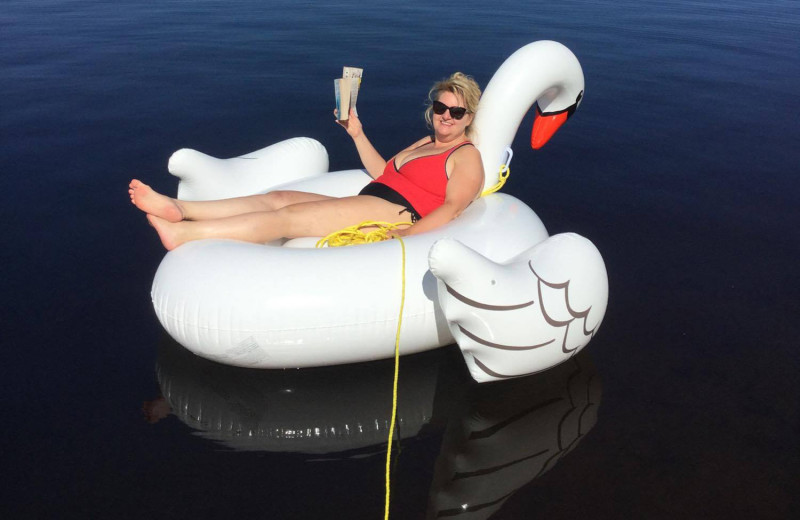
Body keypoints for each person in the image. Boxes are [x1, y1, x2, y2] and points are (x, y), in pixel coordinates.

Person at [129, 72, 484, 250]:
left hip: (395, 213)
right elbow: (383, 173)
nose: (446, 116)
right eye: (441, 108)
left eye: (456, 111)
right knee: (278, 198)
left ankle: (186, 234)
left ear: (469, 117)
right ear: (432, 109)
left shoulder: (465, 156)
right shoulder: (426, 142)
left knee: (289, 218)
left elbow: (452, 208)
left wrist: (407, 234)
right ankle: (180, 206)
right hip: (372, 198)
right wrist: (356, 132)